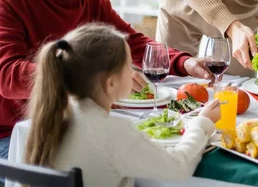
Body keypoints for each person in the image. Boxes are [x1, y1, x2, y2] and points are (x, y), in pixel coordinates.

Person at [0, 0, 214, 158]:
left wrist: (184, 62)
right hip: (13, 135)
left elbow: (131, 41)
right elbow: (7, 77)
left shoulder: (90, 0)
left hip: (69, 125)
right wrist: (90, 74)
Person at [24, 23, 221, 187]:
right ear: (111, 83)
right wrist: (202, 123)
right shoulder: (112, 132)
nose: (135, 72)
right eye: (129, 67)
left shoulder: (51, 117)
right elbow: (179, 166)